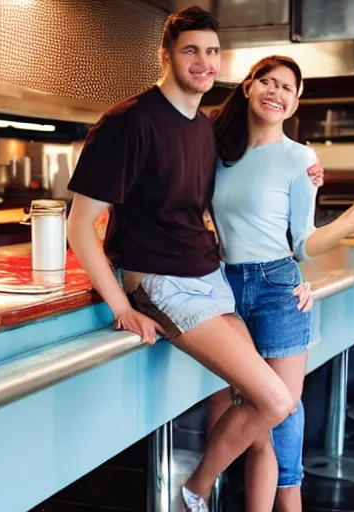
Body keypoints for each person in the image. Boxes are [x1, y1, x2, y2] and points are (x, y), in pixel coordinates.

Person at [66, 8, 303, 512]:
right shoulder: (126, 122)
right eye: (190, 50)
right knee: (276, 400)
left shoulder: (203, 127)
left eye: (212, 52)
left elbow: (255, 157)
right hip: (162, 283)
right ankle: (195, 491)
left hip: (211, 278)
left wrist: (306, 168)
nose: (203, 62)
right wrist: (122, 305)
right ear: (166, 55)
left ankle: (204, 492)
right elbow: (78, 225)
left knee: (260, 416)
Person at [207, 55, 354, 512]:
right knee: (245, 418)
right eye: (267, 82)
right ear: (248, 87)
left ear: (296, 101)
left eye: (287, 88)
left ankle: (289, 501)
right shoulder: (216, 150)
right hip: (223, 287)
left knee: (281, 410)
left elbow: (305, 243)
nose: (276, 92)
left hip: (278, 287)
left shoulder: (300, 158)